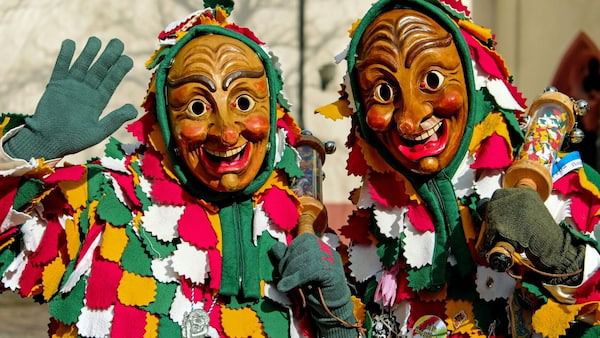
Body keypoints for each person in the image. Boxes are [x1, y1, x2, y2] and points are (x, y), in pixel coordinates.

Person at [0, 3, 359, 337]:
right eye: (198, 107)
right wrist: (27, 149)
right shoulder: (106, 200)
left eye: (244, 101)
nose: (227, 132)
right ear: (166, 120)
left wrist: (334, 310)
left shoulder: (301, 219)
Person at [316, 0, 600, 336]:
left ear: (471, 76)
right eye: (383, 91)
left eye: (432, 80)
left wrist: (565, 259)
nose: (410, 121)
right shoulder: (377, 225)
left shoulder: (562, 186)